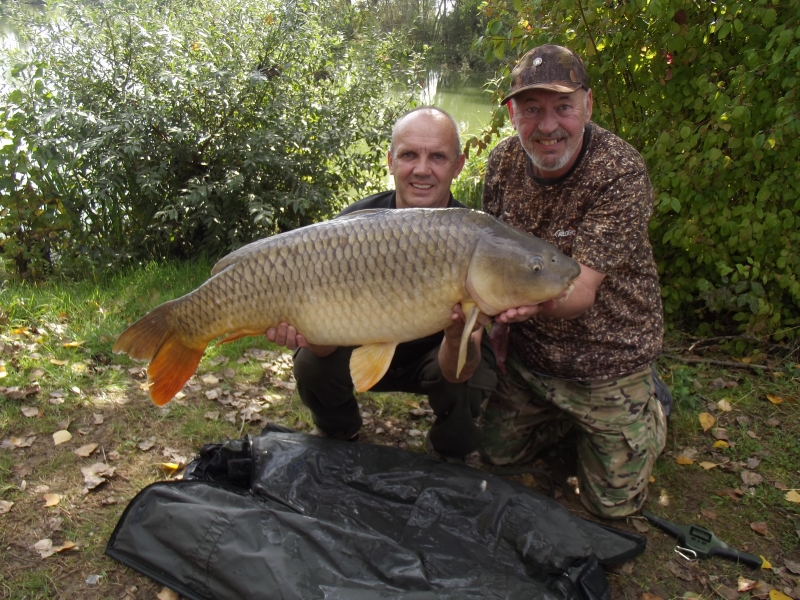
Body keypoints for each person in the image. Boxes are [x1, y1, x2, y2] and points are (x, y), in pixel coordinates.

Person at [479, 45, 667, 518]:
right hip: (533, 360)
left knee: (611, 508)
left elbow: (578, 291)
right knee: (495, 455)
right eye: (532, 109)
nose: (547, 126)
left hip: (609, 358)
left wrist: (522, 305)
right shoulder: (501, 165)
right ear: (511, 113)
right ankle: (565, 420)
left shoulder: (618, 171)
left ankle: (651, 410)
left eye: (563, 107)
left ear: (587, 105)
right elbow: (492, 263)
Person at [266, 107, 498, 460]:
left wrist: (455, 334)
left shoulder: (475, 240)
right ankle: (338, 427)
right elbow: (325, 346)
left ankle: (449, 448)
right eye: (409, 155)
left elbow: (456, 369)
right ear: (390, 161)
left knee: (473, 367)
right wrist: (303, 330)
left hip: (434, 362)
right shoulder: (353, 229)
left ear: (458, 164)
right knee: (310, 360)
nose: (422, 169)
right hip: (360, 345)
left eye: (437, 156)